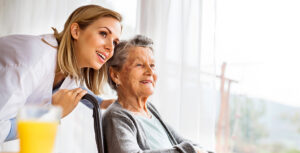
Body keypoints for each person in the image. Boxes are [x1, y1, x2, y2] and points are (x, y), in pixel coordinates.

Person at [0, 4, 122, 143]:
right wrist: (52, 114)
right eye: (103, 33)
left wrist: (102, 103)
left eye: (115, 42)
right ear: (76, 31)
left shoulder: (68, 66)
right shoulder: (34, 61)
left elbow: (74, 88)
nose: (110, 47)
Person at [103, 35, 208, 153]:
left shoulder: (150, 110)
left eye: (152, 65)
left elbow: (183, 142)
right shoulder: (116, 117)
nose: (150, 71)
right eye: (139, 65)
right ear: (115, 75)